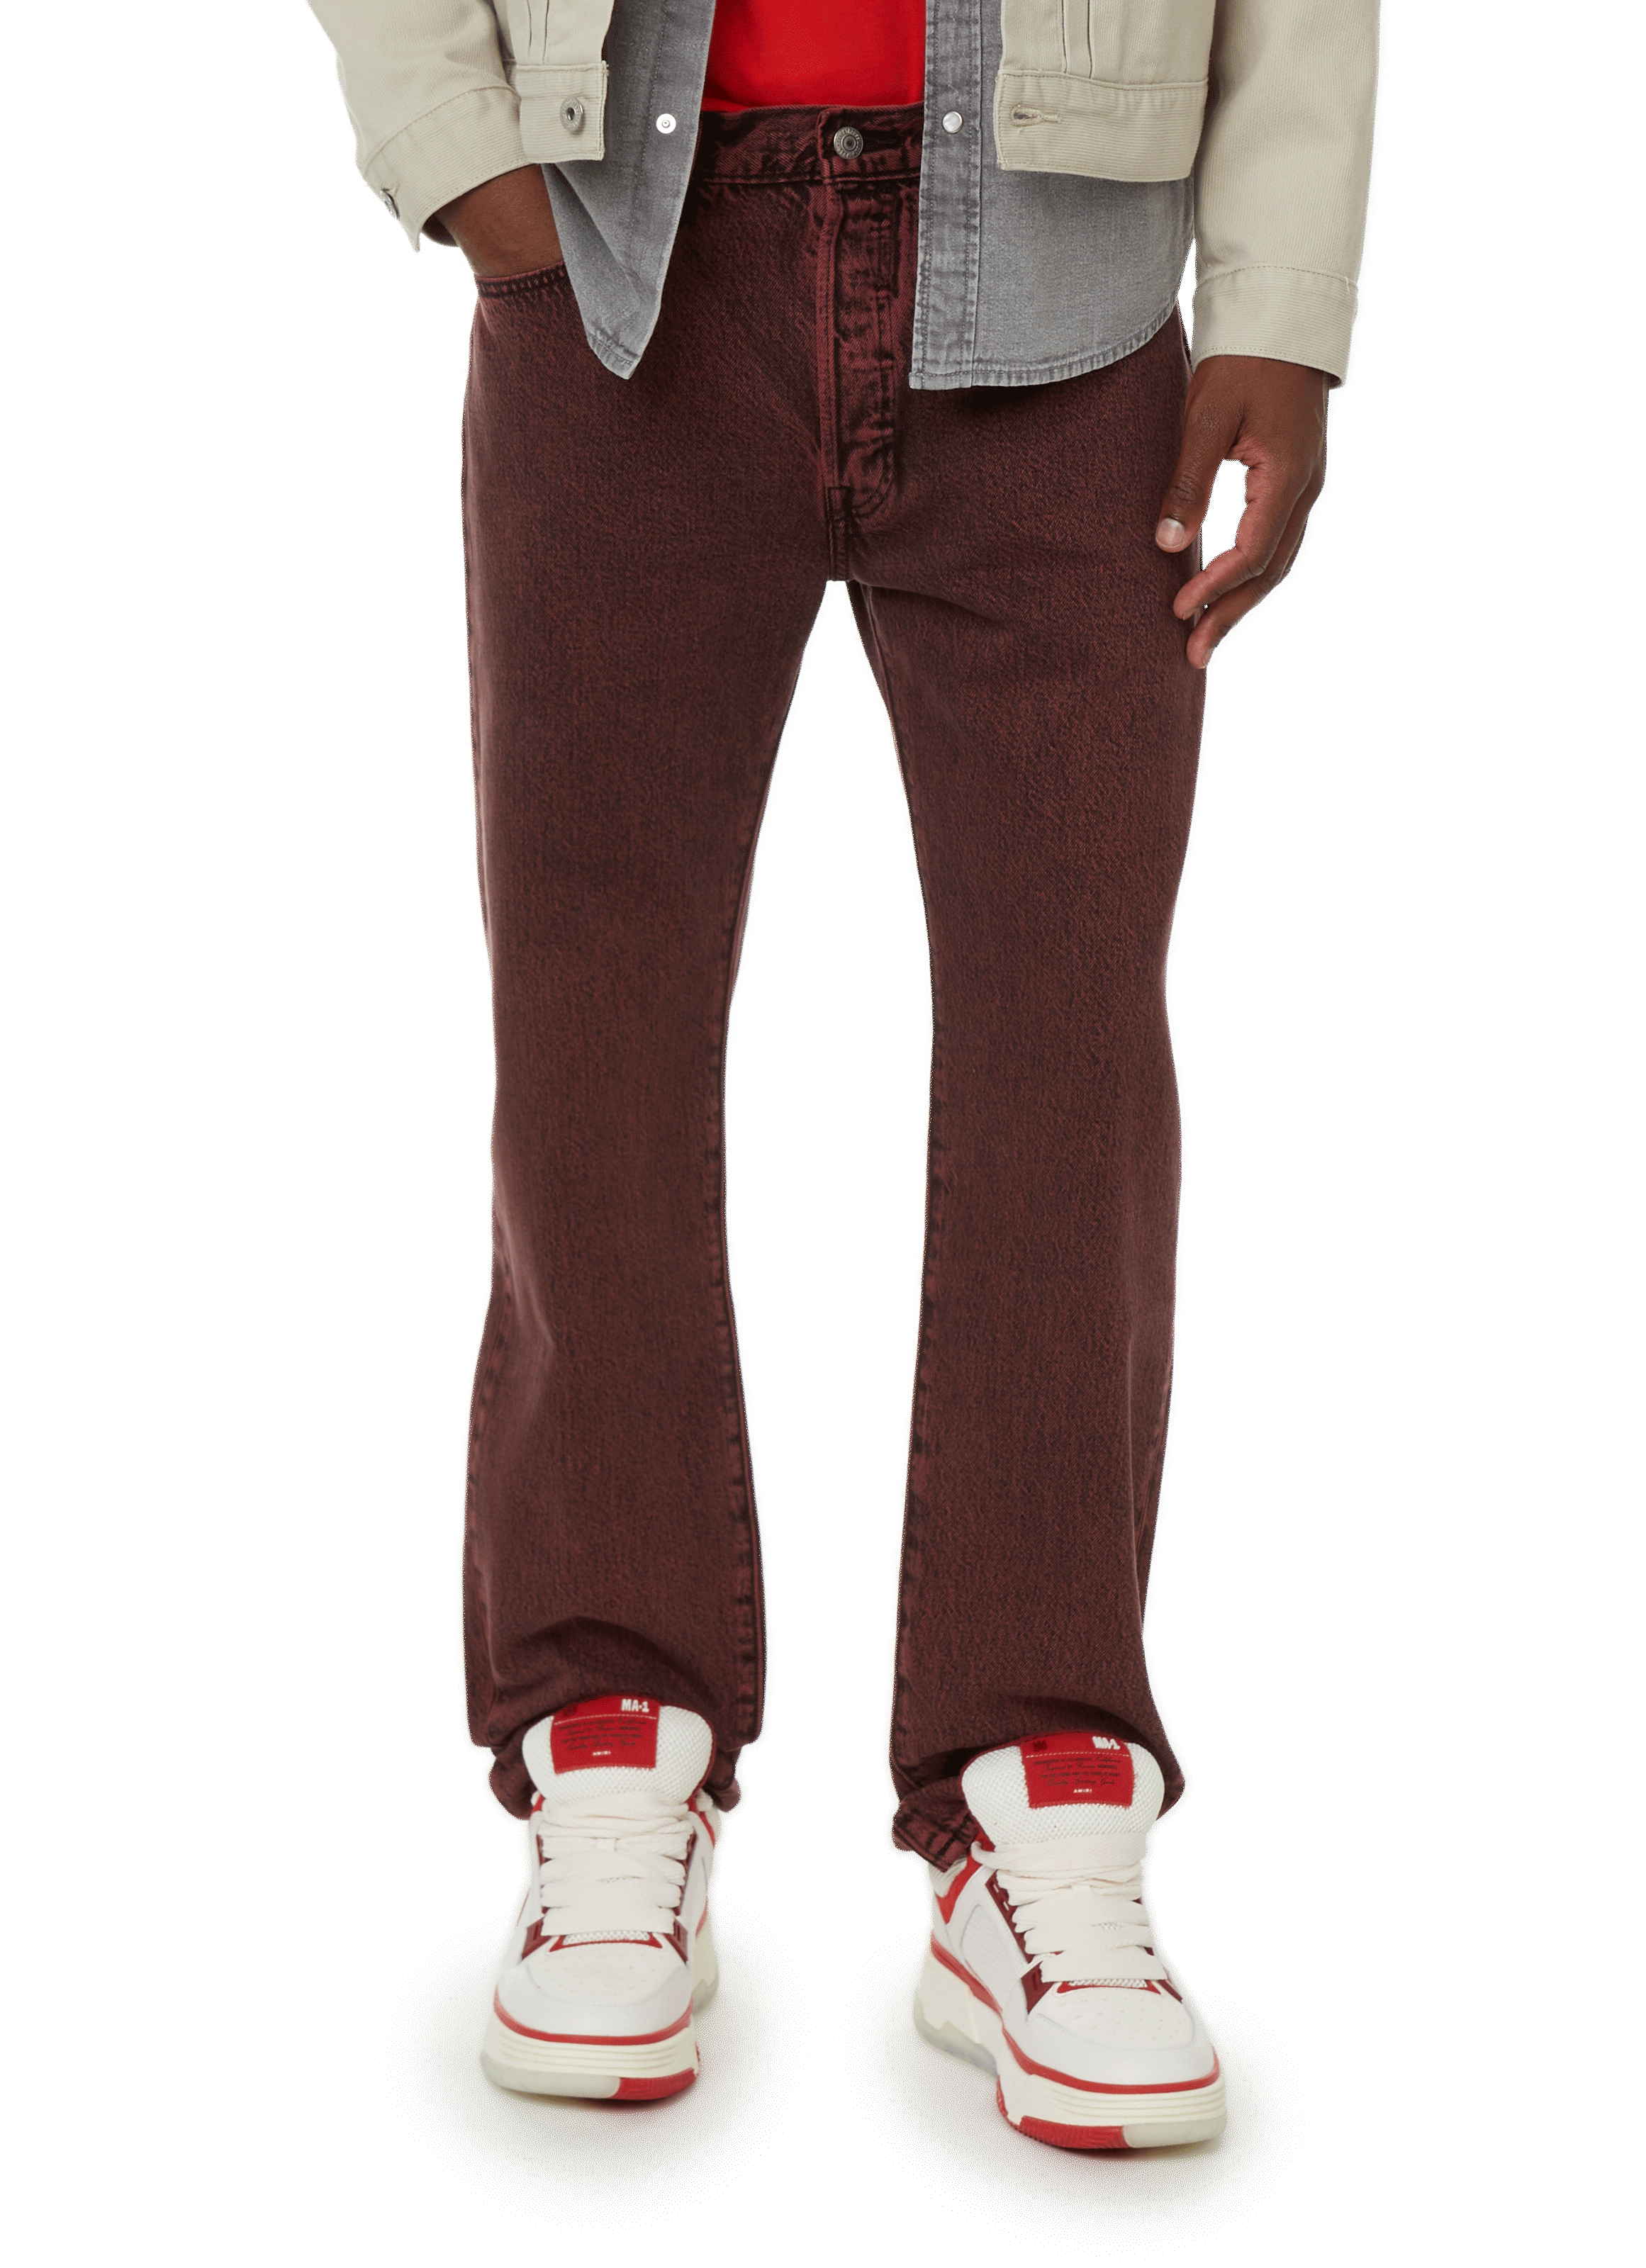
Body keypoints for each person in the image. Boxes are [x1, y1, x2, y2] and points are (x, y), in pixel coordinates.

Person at [304, 0, 1381, 2151]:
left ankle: (1036, 1791)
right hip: (621, 256)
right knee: (590, 1036)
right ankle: (613, 1736)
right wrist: (442, 137)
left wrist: (1283, 310)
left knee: (1070, 1052)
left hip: (1075, 284)